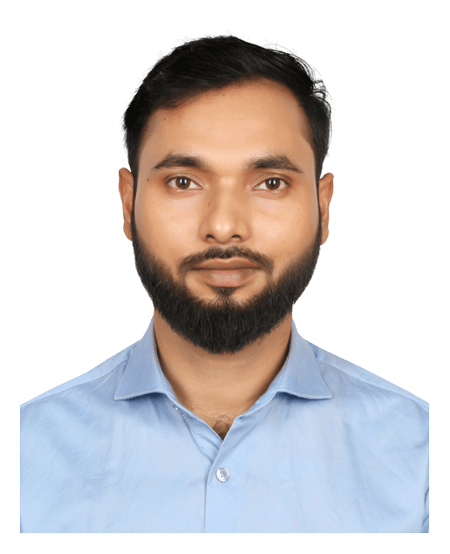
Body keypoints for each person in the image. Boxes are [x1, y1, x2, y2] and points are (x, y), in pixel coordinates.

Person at [19, 32, 430, 534]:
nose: (223, 225)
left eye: (271, 183)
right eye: (183, 182)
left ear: (324, 208)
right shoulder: (25, 453)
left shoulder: (421, 453)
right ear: (127, 204)